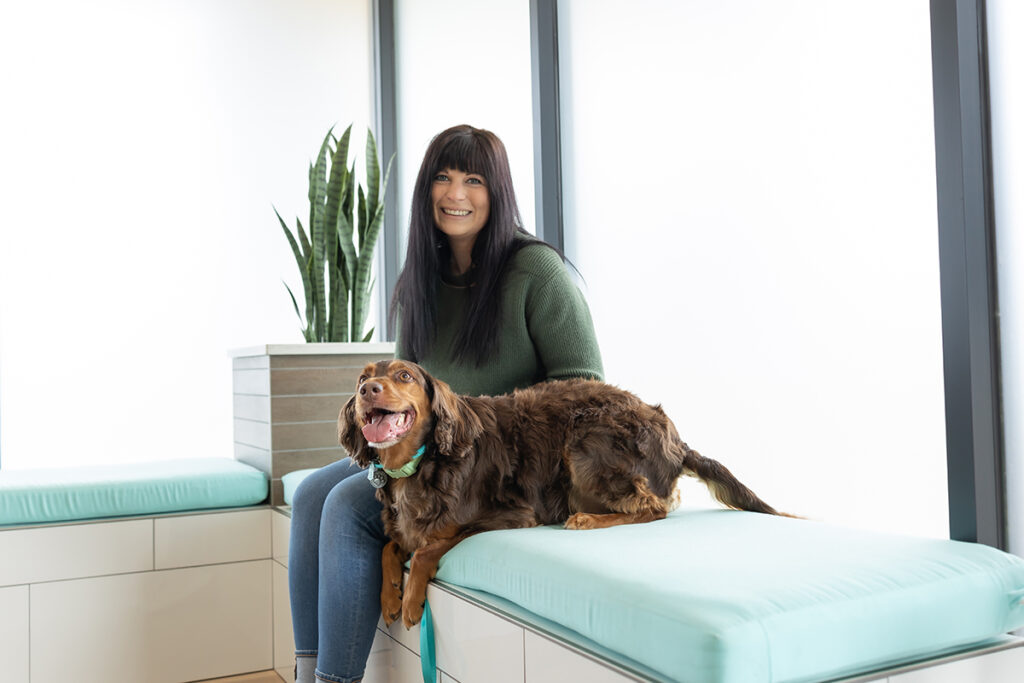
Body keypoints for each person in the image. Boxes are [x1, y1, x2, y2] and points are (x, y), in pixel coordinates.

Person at [287, 124, 604, 683]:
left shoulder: (537, 273)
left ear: (497, 191)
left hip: (495, 465)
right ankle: (308, 670)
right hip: (425, 451)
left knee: (342, 507)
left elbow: (586, 391)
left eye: (474, 180)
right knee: (313, 492)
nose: (456, 193)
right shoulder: (421, 282)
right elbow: (405, 394)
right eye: (443, 177)